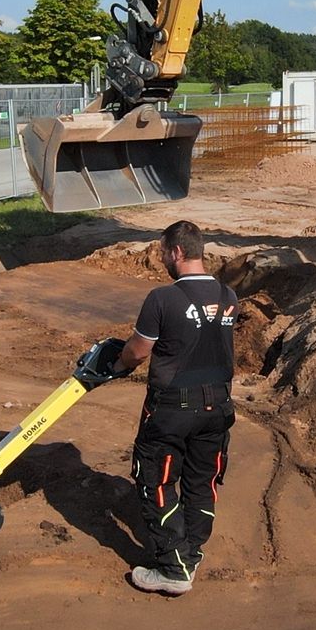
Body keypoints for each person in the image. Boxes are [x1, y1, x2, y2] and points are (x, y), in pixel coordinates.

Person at [109, 220, 239, 595]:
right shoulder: (228, 295)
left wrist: (117, 365)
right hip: (218, 406)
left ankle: (174, 568)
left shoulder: (161, 299)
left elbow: (136, 351)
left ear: (177, 252)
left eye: (165, 251)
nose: (163, 258)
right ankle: (191, 553)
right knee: (202, 481)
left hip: (171, 412)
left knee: (156, 479)